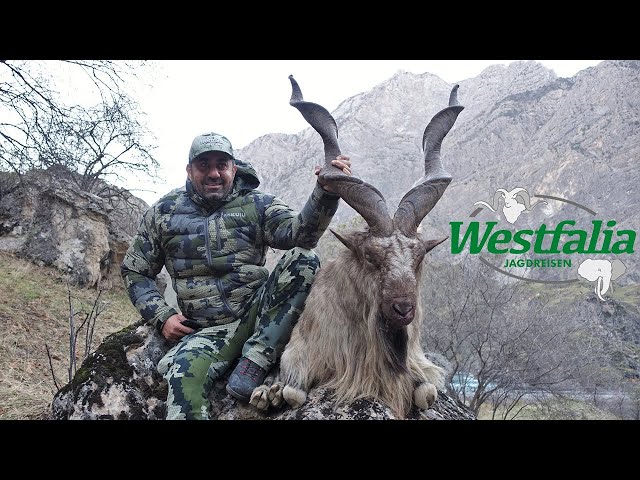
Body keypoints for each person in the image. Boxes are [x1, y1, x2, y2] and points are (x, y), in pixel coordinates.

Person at [121, 132, 350, 420]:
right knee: (183, 381)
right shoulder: (164, 213)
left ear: (233, 168)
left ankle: (257, 358)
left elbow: (300, 234)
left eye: (221, 164)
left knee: (303, 258)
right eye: (204, 165)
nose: (213, 173)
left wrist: (325, 192)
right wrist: (162, 315)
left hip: (259, 312)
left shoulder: (258, 204)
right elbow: (135, 270)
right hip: (206, 331)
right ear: (189, 170)